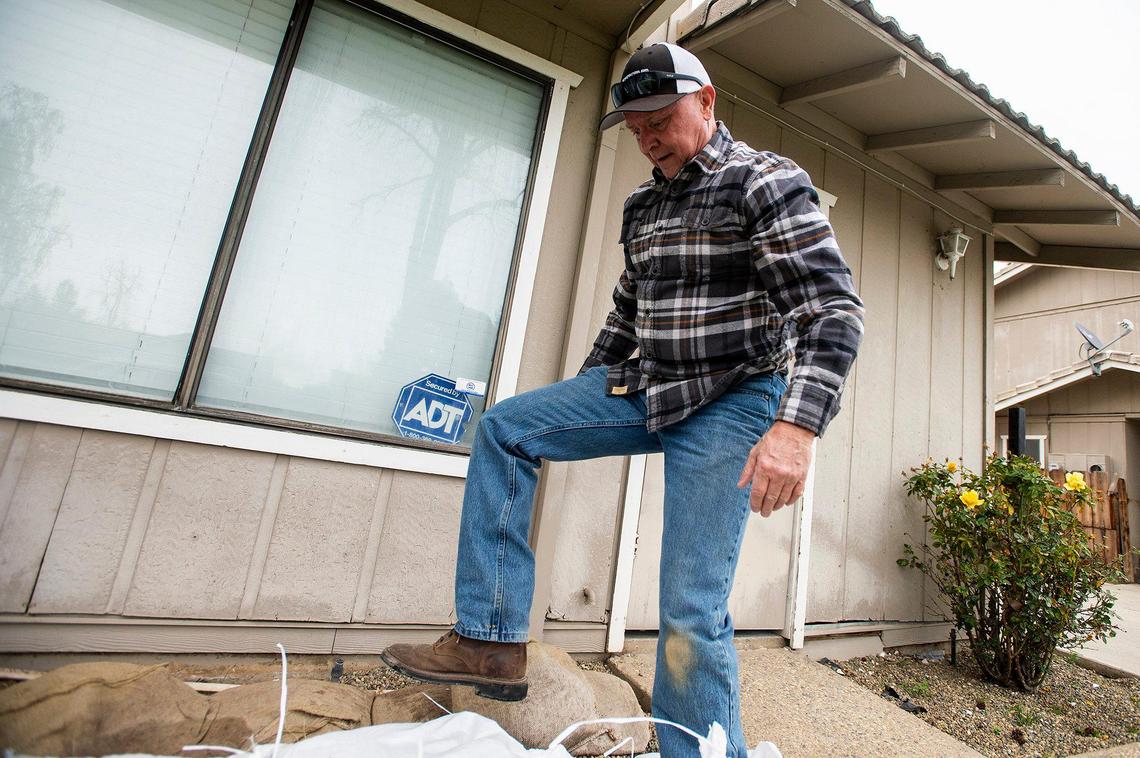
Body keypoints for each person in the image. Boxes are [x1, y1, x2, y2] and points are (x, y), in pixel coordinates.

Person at [382, 42, 864, 757]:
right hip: (650, 386)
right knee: (507, 430)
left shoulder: (762, 182)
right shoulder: (643, 204)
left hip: (733, 396)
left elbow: (831, 311)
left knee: (690, 614)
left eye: (659, 120)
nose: (647, 139)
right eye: (635, 128)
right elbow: (626, 316)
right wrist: (580, 395)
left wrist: (795, 428)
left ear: (707, 102)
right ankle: (490, 642)